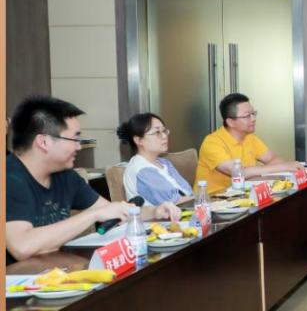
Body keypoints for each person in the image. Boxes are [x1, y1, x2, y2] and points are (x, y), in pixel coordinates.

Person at [6, 96, 181, 266]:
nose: (79, 146)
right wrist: (92, 215)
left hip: (50, 271)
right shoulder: (9, 179)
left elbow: (114, 211)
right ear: (43, 142)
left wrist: (155, 212)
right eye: (74, 139)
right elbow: (22, 247)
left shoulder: (64, 176)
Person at [196, 93, 303, 193]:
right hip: (214, 200)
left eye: (253, 113)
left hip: (244, 195)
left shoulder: (249, 138)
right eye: (247, 116)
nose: (253, 119)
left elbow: (274, 159)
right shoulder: (212, 143)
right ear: (230, 122)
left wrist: (253, 173)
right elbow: (237, 173)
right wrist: (283, 167)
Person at [117, 113, 194, 207]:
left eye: (164, 131)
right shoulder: (141, 170)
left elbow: (187, 191)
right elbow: (175, 202)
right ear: (138, 140)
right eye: (157, 133)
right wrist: (202, 198)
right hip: (165, 216)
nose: (164, 136)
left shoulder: (164, 162)